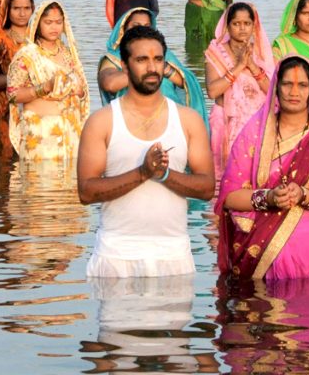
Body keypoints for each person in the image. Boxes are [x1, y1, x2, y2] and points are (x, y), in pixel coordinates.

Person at [78, 25, 215, 277]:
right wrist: (141, 173)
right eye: (142, 59)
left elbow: (207, 188)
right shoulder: (102, 121)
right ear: (125, 65)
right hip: (116, 256)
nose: (152, 67)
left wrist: (164, 175)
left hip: (173, 257)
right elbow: (86, 192)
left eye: (158, 59)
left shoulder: (188, 120)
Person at [216, 56, 309, 280]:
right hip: (258, 250)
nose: (294, 92)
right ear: (275, 87)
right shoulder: (253, 134)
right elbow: (229, 198)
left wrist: (306, 196)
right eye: (287, 84)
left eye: (302, 85)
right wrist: (269, 198)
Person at [7, 0, 89, 166]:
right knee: (39, 187)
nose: (54, 27)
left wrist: (79, 91)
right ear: (37, 24)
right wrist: (44, 87)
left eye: (59, 22)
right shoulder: (27, 55)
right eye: (48, 22)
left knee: (68, 188)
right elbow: (13, 95)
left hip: (69, 133)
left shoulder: (68, 53)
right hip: (40, 136)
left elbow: (83, 91)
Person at [99, 7, 207, 126]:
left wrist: (164, 69)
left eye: (147, 26)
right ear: (123, 29)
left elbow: (186, 83)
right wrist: (146, 73)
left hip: (170, 117)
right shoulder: (114, 57)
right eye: (136, 25)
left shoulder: (165, 54)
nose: (141, 29)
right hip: (133, 119)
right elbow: (110, 84)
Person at [204, 2, 273, 181]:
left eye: (247, 23)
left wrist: (252, 66)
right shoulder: (215, 51)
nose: (242, 28)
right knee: (223, 178)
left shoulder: (261, 53)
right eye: (236, 24)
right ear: (227, 26)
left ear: (253, 25)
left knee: (255, 177)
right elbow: (212, 91)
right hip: (225, 123)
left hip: (256, 123)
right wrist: (239, 66)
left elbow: (272, 91)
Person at [0, 0, 33, 154]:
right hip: (5, 109)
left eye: (26, 8)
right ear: (8, 10)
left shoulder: (39, 40)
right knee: (4, 162)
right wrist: (18, 78)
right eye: (16, 8)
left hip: (34, 108)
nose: (22, 13)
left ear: (33, 10)